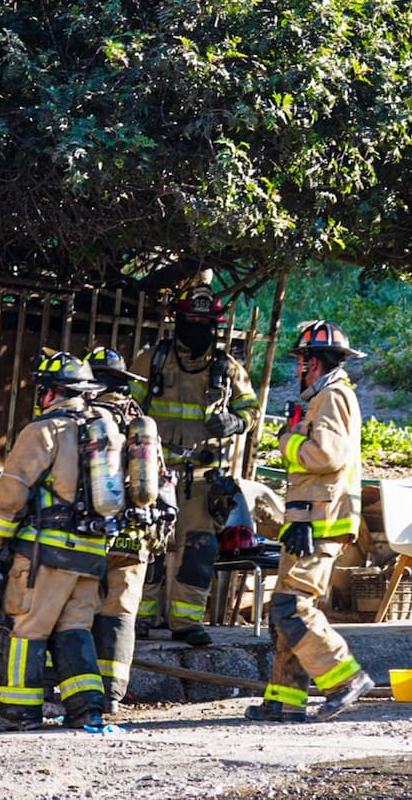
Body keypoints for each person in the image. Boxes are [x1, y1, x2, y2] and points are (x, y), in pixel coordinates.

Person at [0, 352, 119, 731]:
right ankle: (87, 711)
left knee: (26, 628)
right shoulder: (105, 428)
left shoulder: (44, 430)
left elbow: (12, 493)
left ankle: (18, 713)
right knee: (75, 629)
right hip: (92, 553)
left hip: (47, 554)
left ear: (52, 392)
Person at [246, 321, 374, 722]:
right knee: (284, 610)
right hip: (306, 520)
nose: (298, 369)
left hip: (321, 521)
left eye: (301, 361)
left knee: (293, 606)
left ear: (312, 363)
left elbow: (327, 456)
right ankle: (284, 700)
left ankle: (345, 678)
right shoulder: (323, 396)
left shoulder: (333, 396)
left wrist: (288, 441)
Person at [131, 276, 259, 647]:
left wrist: (235, 421)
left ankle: (186, 622)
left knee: (199, 550)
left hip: (202, 479)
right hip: (154, 475)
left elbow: (250, 410)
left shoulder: (227, 368)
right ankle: (140, 616)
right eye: (192, 320)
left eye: (205, 322)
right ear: (179, 320)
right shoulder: (153, 360)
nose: (198, 326)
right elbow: (128, 408)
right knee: (148, 545)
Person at [84, 346, 176, 714]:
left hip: (91, 532)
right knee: (121, 611)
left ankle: (71, 688)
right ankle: (111, 694)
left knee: (79, 610)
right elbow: (160, 478)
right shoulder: (140, 423)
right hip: (136, 532)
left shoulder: (84, 418)